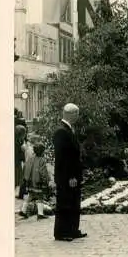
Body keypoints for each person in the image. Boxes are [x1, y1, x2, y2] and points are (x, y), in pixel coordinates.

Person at [53, 103, 87, 242]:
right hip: (66, 176)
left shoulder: (68, 129)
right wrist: (71, 176)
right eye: (77, 114)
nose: (78, 117)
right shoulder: (61, 131)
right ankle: (62, 232)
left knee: (74, 202)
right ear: (71, 114)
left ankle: (73, 229)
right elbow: (63, 157)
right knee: (65, 202)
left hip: (72, 175)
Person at [18, 143, 52, 220]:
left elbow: (26, 168)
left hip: (30, 181)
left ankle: (23, 211)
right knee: (40, 197)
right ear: (42, 151)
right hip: (38, 182)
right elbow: (43, 172)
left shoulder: (30, 158)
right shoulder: (42, 160)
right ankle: (40, 214)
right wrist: (46, 180)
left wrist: (26, 179)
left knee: (30, 196)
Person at [15, 125, 27, 199]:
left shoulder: (21, 140)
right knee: (17, 178)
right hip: (16, 162)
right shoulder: (15, 142)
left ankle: (21, 192)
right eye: (24, 134)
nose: (25, 136)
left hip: (19, 162)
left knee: (21, 177)